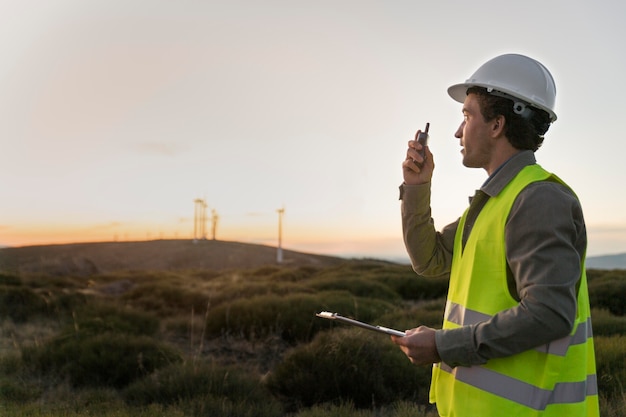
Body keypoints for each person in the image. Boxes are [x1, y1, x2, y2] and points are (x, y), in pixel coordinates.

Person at [391, 54, 599, 417]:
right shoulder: (493, 202)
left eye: (467, 116)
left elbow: (549, 314)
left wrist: (442, 345)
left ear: (497, 125)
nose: (458, 131)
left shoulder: (538, 199)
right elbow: (430, 259)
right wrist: (417, 187)